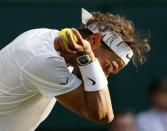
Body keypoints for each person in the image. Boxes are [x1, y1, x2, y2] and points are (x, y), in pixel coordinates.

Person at [0, 8, 150, 131]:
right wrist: (88, 58)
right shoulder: (43, 60)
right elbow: (103, 115)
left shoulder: (47, 39)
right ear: (94, 40)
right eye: (107, 67)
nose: (104, 76)